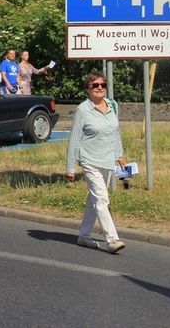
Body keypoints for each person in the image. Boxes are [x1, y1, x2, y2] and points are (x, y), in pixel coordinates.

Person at [65, 72, 126, 254]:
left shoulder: (112, 105)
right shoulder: (83, 110)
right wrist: (70, 167)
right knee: (101, 199)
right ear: (88, 89)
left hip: (107, 159)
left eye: (103, 85)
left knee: (94, 199)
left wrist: (120, 154)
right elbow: (74, 140)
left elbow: (114, 132)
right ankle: (112, 239)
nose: (100, 88)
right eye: (95, 85)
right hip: (89, 160)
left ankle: (84, 235)